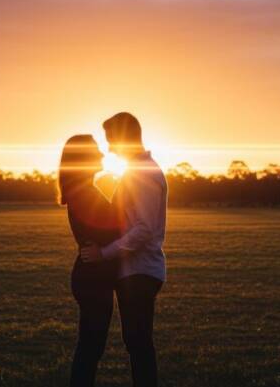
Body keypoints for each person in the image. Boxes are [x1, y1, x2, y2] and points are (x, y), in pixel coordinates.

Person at [81, 112, 168, 387]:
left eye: (110, 141)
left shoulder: (142, 173)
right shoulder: (136, 171)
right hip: (136, 271)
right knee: (137, 344)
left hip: (141, 271)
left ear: (123, 139)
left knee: (139, 345)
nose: (108, 149)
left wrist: (103, 253)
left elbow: (143, 230)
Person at [58, 134, 125, 387]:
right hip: (92, 279)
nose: (101, 155)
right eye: (95, 151)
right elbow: (114, 229)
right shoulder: (83, 193)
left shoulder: (84, 190)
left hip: (92, 277)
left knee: (90, 348)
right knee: (90, 349)